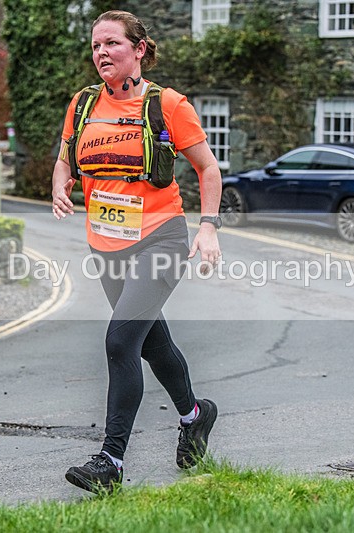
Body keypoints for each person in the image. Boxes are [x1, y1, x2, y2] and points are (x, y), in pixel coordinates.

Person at [51, 10, 222, 493]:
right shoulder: (82, 104)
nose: (101, 53)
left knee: (120, 341)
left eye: (112, 44)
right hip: (107, 245)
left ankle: (111, 461)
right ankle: (194, 415)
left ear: (139, 49)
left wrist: (208, 228)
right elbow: (65, 157)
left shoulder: (167, 104)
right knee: (152, 343)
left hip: (161, 237)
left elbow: (208, 169)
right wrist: (60, 185)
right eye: (95, 46)